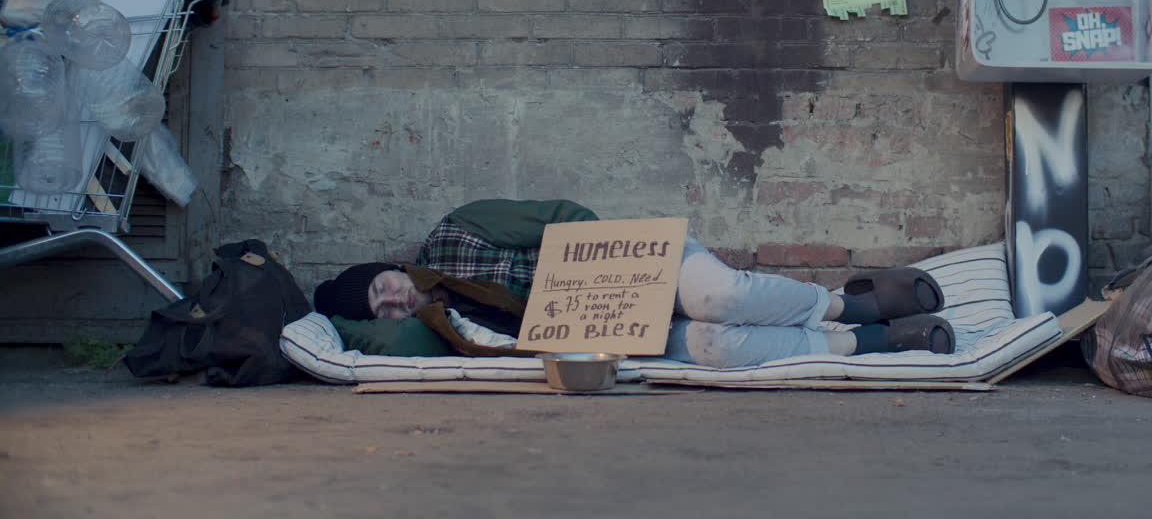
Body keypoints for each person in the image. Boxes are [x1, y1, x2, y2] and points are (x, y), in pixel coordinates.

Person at [313, 200, 955, 369]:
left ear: (387, 268)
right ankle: (861, 343)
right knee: (712, 346)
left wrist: (596, 273)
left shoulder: (455, 234)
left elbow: (565, 215)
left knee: (717, 298)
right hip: (616, 333)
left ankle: (848, 300)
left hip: (641, 265)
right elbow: (407, 348)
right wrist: (411, 317)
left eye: (383, 285)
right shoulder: (444, 332)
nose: (394, 298)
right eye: (382, 308)